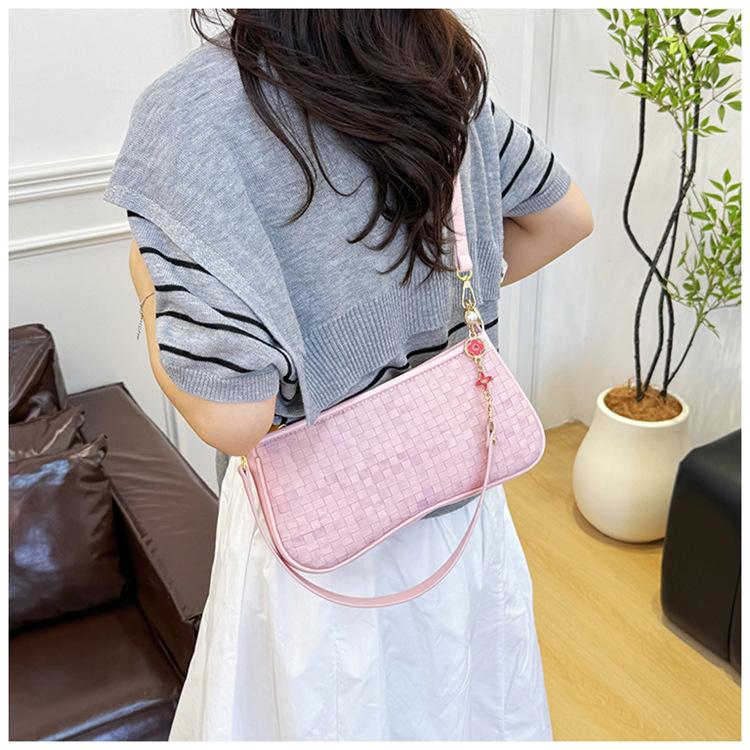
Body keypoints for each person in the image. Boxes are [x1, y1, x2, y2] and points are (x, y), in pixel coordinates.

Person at [105, 9, 593, 741]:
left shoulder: (190, 114)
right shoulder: (432, 59)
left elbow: (233, 416)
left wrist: (146, 285)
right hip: (461, 517)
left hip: (318, 566)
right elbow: (565, 219)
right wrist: (421, 308)